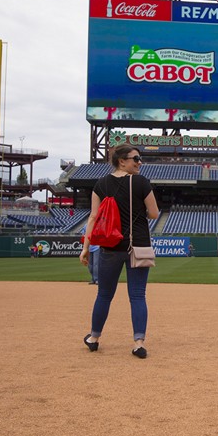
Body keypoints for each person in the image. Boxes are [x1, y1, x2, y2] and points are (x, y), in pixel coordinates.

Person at [79, 145, 160, 359]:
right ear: (122, 161)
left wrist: (86, 248)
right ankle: (138, 343)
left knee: (104, 295)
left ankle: (94, 338)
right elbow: (153, 213)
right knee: (137, 295)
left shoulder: (101, 184)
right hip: (139, 244)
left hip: (110, 245)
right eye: (136, 159)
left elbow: (93, 218)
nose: (139, 162)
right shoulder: (141, 182)